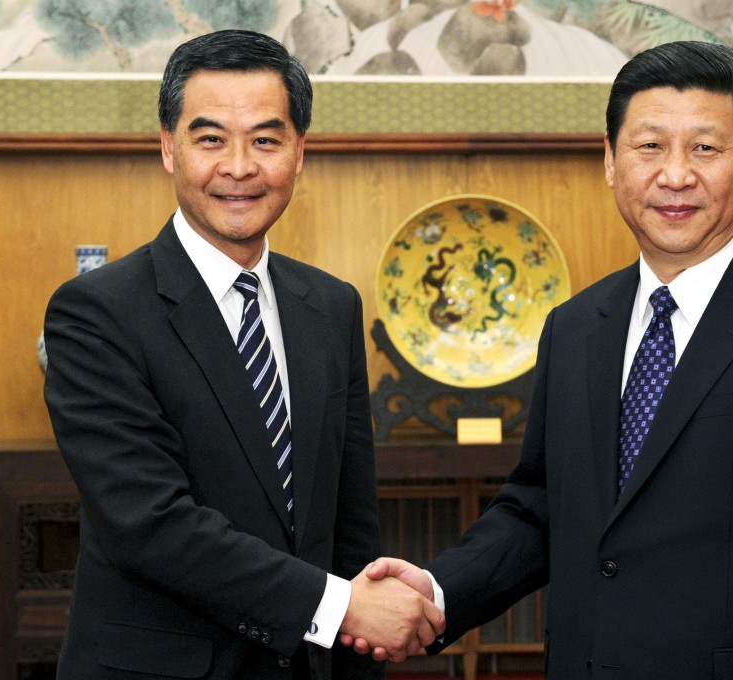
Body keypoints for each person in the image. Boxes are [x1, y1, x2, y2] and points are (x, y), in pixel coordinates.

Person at [346, 40, 733, 678]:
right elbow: (541, 506)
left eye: (705, 148)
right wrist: (436, 591)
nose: (675, 175)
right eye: (649, 146)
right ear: (610, 160)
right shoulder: (574, 328)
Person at [42, 29, 443, 680]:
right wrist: (342, 608)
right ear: (168, 149)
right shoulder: (97, 312)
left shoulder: (331, 305)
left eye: (265, 139)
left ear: (299, 151)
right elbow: (150, 525)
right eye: (209, 140)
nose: (238, 166)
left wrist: (359, 640)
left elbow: (350, 525)